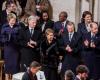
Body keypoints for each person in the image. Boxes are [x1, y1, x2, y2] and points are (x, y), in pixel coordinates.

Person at [1, 13, 20, 80]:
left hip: (15, 49)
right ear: (8, 20)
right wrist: (6, 39)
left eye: (14, 20)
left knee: (15, 67)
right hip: (8, 49)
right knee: (7, 67)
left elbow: (20, 37)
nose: (13, 22)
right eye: (12, 20)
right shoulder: (4, 27)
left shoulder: (18, 26)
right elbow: (1, 38)